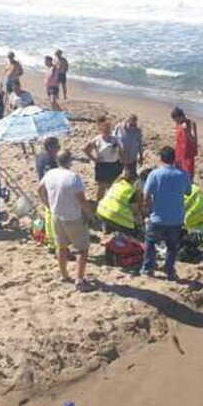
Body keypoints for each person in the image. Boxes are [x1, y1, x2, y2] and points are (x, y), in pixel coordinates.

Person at [38, 150, 94, 289]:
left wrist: (48, 205)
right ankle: (80, 280)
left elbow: (40, 190)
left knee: (61, 247)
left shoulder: (50, 173)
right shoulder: (74, 177)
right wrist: (91, 215)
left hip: (57, 216)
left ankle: (64, 275)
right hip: (73, 217)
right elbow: (82, 201)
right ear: (70, 161)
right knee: (82, 249)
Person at [141, 146, 192, 280]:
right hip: (176, 218)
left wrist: (147, 210)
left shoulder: (155, 174)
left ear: (161, 158)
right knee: (172, 246)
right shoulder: (182, 174)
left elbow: (146, 195)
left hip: (158, 216)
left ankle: (148, 269)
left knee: (150, 242)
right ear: (174, 159)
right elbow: (188, 192)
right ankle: (169, 271)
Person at [83, 115, 123, 201]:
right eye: (105, 129)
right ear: (101, 130)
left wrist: (121, 160)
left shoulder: (115, 139)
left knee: (113, 186)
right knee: (101, 187)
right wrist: (94, 159)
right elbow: (86, 150)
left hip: (114, 165)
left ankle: (110, 204)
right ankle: (99, 203)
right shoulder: (97, 139)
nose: (107, 131)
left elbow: (121, 150)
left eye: (109, 129)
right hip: (102, 166)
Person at [97, 165, 142, 236]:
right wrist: (140, 227)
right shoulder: (131, 191)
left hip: (101, 211)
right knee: (134, 233)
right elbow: (135, 212)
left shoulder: (117, 183)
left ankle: (107, 231)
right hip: (118, 218)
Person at [171, 107, 198, 180]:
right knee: (178, 175)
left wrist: (186, 132)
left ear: (181, 116)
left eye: (177, 119)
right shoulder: (178, 124)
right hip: (179, 153)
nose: (176, 122)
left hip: (188, 154)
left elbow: (194, 140)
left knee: (188, 176)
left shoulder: (191, 123)